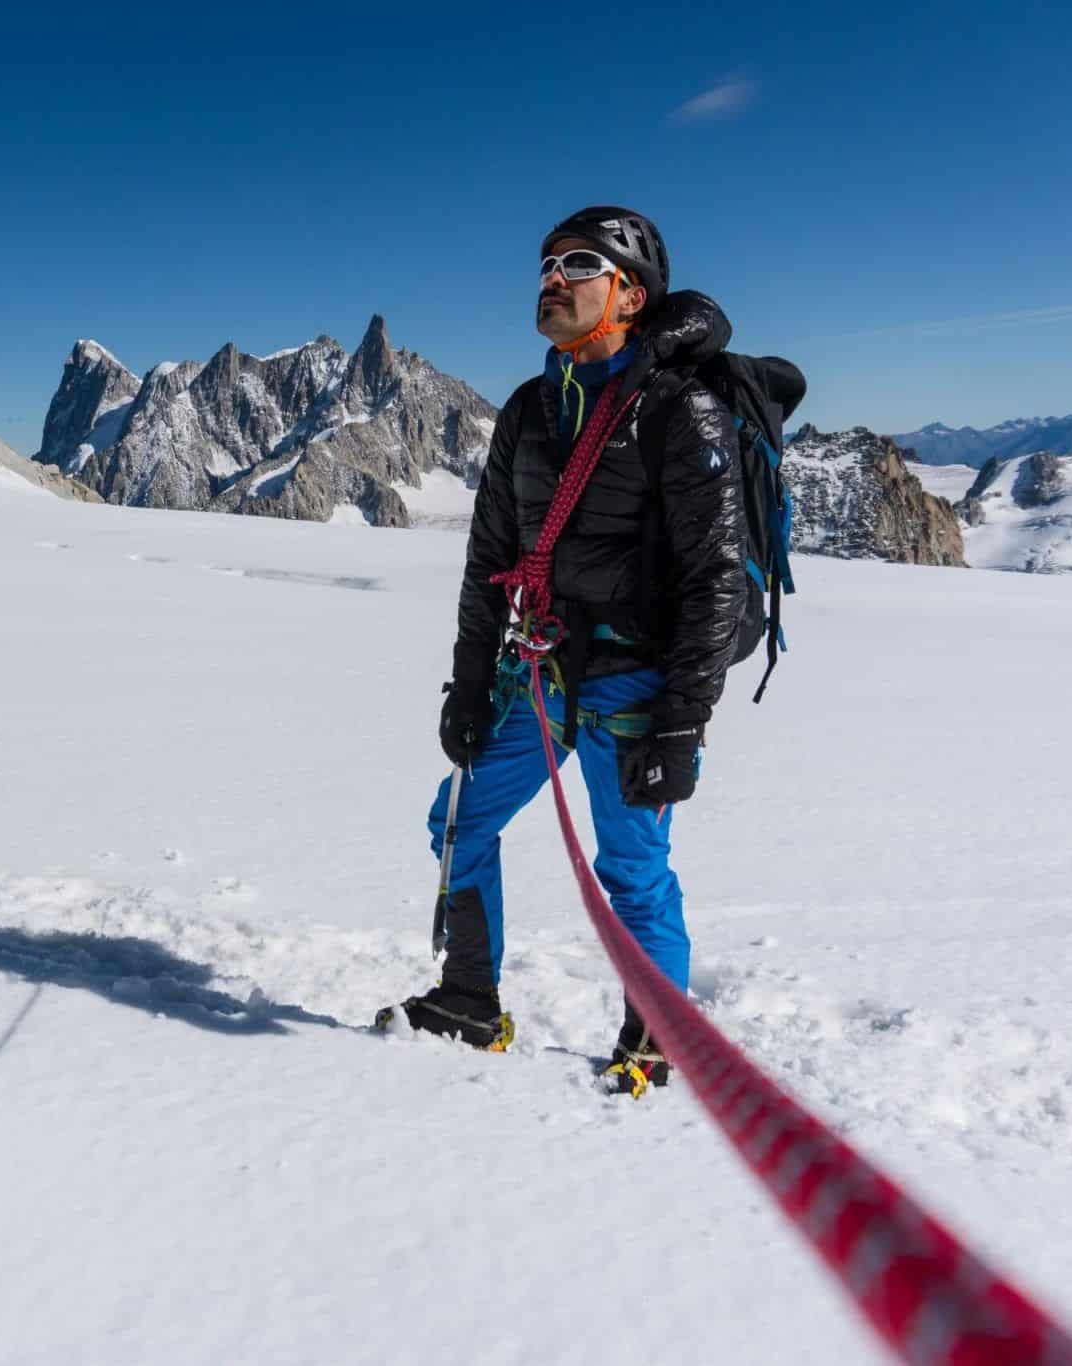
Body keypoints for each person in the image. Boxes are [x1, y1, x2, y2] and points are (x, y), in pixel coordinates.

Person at [384, 207, 752, 1096]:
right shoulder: (529, 406)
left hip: (636, 684)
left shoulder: (681, 408)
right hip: (539, 676)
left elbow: (716, 581)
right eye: (546, 263)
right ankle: (469, 996)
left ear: (631, 292)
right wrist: (470, 687)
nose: (553, 277)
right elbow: (488, 565)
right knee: (458, 823)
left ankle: (657, 1039)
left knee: (631, 868)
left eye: (578, 263)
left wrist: (680, 724)